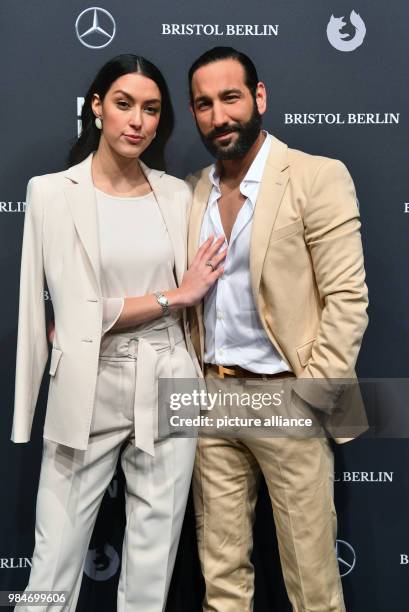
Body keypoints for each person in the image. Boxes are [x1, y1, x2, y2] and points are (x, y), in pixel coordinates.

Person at [11, 53, 226, 612]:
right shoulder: (50, 193)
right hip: (87, 377)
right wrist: (172, 297)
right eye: (125, 104)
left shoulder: (176, 195)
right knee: (52, 565)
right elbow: (69, 314)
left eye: (151, 109)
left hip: (170, 374)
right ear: (97, 107)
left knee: (152, 567)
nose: (137, 121)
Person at [186, 46, 369, 611]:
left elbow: (347, 298)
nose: (219, 116)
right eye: (204, 104)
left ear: (259, 98)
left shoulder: (316, 176)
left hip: (288, 393)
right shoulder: (190, 190)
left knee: (313, 587)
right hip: (211, 400)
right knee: (221, 583)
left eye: (231, 98)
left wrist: (311, 398)